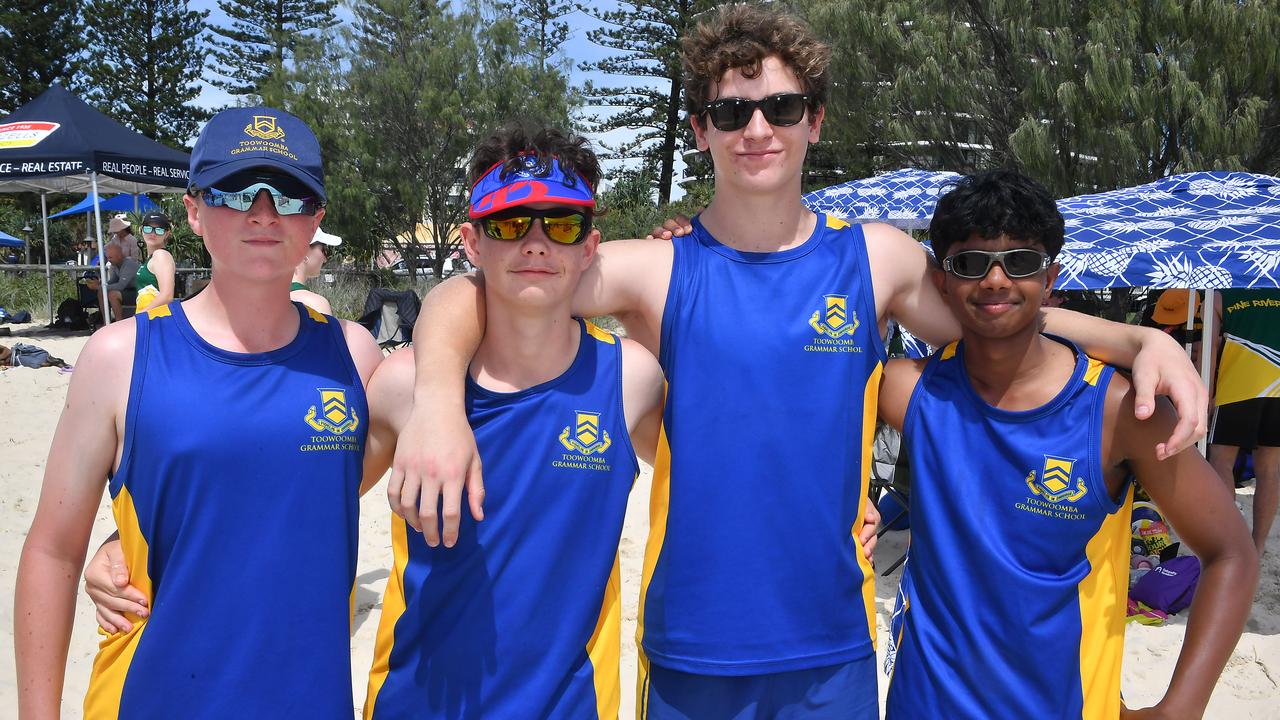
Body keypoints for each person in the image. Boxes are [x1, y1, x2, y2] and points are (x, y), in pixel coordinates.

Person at [391, 5, 1204, 717]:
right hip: (690, 648)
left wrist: (1140, 338)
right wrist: (434, 400)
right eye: (731, 110)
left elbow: (999, 311)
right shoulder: (657, 269)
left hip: (833, 647)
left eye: (780, 107)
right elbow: (486, 287)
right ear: (701, 127)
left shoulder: (876, 260)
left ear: (815, 120)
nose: (757, 129)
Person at [14, 105, 382, 719]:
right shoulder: (121, 356)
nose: (263, 211)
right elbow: (52, 550)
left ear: (315, 219)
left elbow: (290, 488)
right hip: (152, 695)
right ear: (193, 209)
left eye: (289, 195)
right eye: (236, 189)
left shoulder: (354, 357)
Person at [877, 169, 1257, 719]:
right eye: (971, 263)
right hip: (924, 703)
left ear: (1051, 277)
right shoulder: (908, 389)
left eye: (1021, 262)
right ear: (943, 280)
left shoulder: (1119, 412)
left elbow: (1231, 553)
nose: (996, 280)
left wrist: (1182, 707)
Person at [363, 124, 665, 718]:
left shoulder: (630, 379)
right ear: (472, 244)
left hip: (571, 703)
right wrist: (124, 546)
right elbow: (304, 505)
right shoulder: (407, 385)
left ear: (588, 245)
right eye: (508, 224)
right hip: (417, 700)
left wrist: (835, 507)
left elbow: (716, 475)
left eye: (560, 223)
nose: (535, 243)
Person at [1208, 287, 1280, 557]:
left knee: (1221, 461)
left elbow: (1210, 345)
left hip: (1236, 388)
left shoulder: (1221, 294)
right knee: (1270, 469)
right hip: (1278, 388)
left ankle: (1232, 542)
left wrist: (1208, 392)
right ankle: (1258, 546)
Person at [290, 227, 341, 314]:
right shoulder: (316, 305)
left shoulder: (266, 297)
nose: (325, 259)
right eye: (323, 250)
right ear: (303, 251)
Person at [133, 211, 176, 314]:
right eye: (148, 229)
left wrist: (140, 316)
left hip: (156, 320)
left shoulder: (161, 255)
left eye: (159, 230)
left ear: (167, 233)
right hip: (150, 319)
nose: (153, 233)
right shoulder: (152, 257)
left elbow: (167, 296)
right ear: (141, 230)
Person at [101, 242, 140, 321]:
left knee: (113, 294)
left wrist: (104, 287)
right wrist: (101, 286)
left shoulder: (129, 264)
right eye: (107, 257)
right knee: (101, 291)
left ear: (118, 256)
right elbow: (112, 281)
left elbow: (121, 285)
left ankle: (119, 321)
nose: (109, 260)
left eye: (111, 257)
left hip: (139, 292)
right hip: (129, 290)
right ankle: (106, 320)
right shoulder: (115, 266)